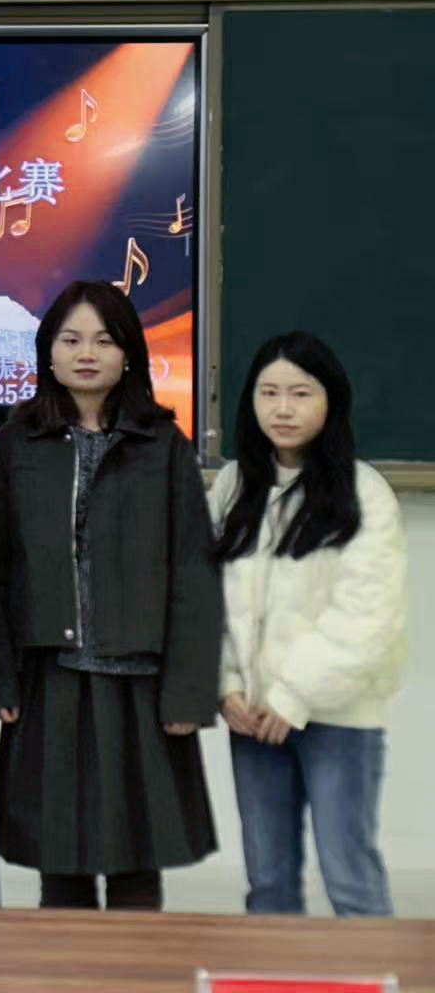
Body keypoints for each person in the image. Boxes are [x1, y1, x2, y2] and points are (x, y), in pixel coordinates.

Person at [0, 280, 219, 911]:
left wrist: (190, 692)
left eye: (104, 340)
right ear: (48, 353)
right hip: (48, 680)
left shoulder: (163, 445)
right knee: (59, 858)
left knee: (139, 856)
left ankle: (136, 968)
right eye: (71, 339)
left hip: (140, 680)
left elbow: (194, 573)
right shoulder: (15, 445)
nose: (87, 353)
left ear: (129, 353)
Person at [211, 332, 407, 917]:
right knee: (267, 882)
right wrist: (226, 685)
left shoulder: (364, 492)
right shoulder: (232, 486)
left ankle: (375, 967)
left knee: (350, 876)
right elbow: (206, 596)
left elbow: (368, 613)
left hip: (336, 716)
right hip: (252, 716)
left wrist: (293, 696)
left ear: (331, 401)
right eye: (268, 392)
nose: (283, 409)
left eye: (301, 393)